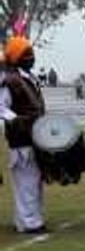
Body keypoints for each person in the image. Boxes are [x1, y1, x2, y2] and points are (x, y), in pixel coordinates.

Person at [0, 37, 48, 233]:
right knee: (27, 181)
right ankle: (30, 223)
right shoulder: (9, 80)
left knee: (34, 181)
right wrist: (18, 121)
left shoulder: (28, 77)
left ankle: (27, 220)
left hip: (34, 136)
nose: (31, 58)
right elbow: (1, 107)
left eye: (31, 54)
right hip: (21, 138)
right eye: (26, 54)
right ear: (17, 57)